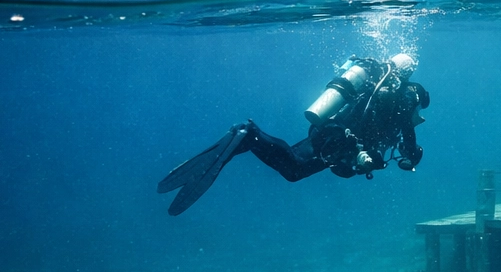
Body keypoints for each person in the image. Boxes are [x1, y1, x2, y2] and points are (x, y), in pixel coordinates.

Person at [158, 52, 429, 216]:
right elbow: (408, 139)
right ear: (409, 74)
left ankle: (245, 139)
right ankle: (250, 135)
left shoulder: (372, 80)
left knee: (292, 164)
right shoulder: (403, 97)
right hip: (344, 142)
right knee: (294, 170)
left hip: (330, 130)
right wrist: (413, 155)